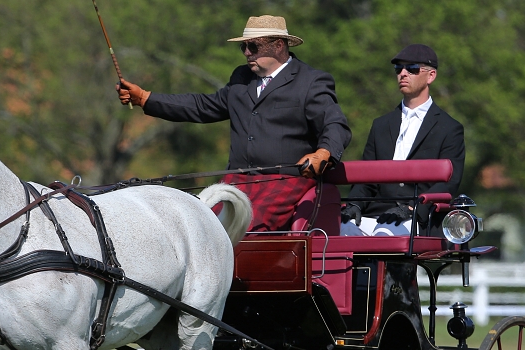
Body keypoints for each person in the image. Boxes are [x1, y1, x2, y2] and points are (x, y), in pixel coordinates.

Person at [117, 15, 351, 232]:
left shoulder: (311, 81)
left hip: (285, 182)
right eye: (244, 47)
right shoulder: (241, 78)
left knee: (242, 231)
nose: (247, 53)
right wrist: (146, 99)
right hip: (237, 181)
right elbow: (202, 106)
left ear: (279, 45)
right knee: (201, 227)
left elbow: (335, 124)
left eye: (254, 46)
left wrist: (324, 152)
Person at [341, 44, 465, 236]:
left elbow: (449, 182)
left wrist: (411, 209)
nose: (403, 73)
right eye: (399, 69)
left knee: (385, 232)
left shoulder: (450, 129)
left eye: (412, 68)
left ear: (431, 75)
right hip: (376, 214)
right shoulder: (380, 125)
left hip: (419, 217)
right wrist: (354, 204)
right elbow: (366, 178)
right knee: (339, 230)